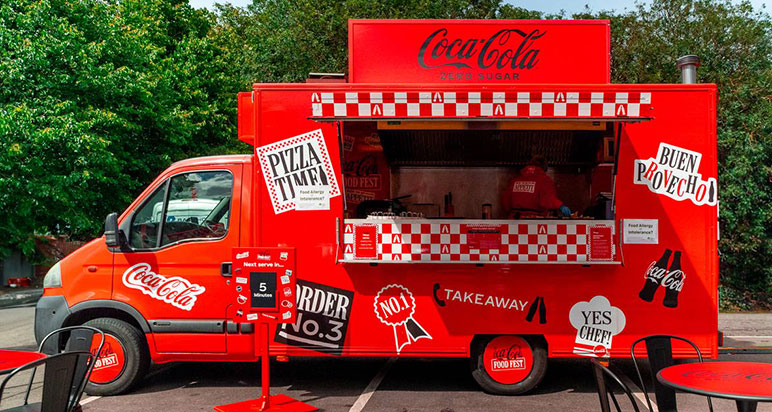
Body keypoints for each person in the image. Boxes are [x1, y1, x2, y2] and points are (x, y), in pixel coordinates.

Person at [502, 155, 571, 218]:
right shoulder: (544, 180)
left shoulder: (515, 180)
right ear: (544, 168)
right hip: (533, 221)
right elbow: (548, 198)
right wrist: (560, 206)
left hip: (513, 220)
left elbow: (506, 202)